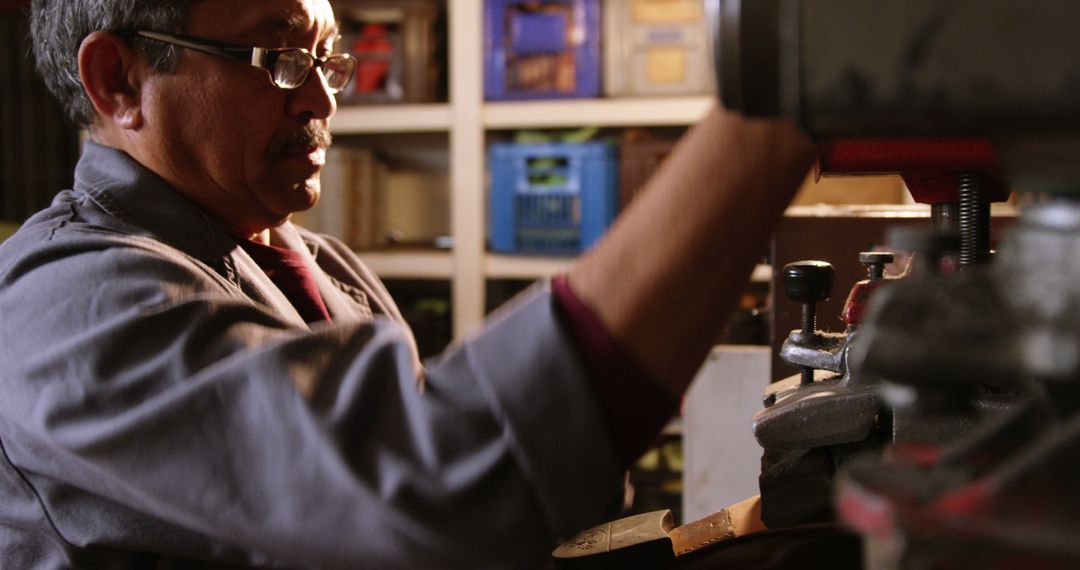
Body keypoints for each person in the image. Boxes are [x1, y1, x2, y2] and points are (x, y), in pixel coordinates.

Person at [0, 0, 817, 567]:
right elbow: (450, 492)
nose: (321, 99)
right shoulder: (63, 307)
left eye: (327, 61)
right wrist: (782, 109)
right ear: (117, 81)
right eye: (281, 60)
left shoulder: (317, 266)